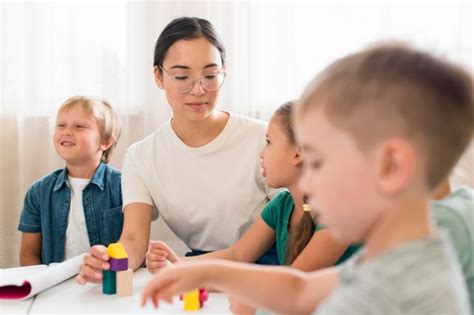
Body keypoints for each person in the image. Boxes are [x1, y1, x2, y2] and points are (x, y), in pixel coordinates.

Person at [141, 44, 473, 314]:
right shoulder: (397, 261)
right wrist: (204, 271)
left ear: (391, 167)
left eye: (317, 162)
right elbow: (300, 291)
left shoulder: (397, 294)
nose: (308, 185)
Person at [76, 17, 279, 284]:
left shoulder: (263, 138)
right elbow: (134, 242)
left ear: (223, 72)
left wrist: (185, 265)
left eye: (210, 75)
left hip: (269, 267)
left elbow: (289, 224)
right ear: (158, 76)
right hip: (198, 269)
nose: (198, 90)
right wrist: (109, 263)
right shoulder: (142, 157)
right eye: (182, 76)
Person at [146, 101, 359, 313]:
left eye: (269, 142)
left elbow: (295, 286)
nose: (261, 153)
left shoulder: (338, 214)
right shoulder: (282, 205)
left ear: (298, 153)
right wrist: (176, 265)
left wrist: (253, 304)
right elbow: (237, 255)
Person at [18, 96, 123, 265]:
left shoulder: (122, 186)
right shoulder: (38, 192)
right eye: (61, 125)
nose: (66, 131)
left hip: (107, 283)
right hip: (54, 285)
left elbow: (133, 246)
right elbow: (29, 254)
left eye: (79, 126)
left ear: (106, 141)